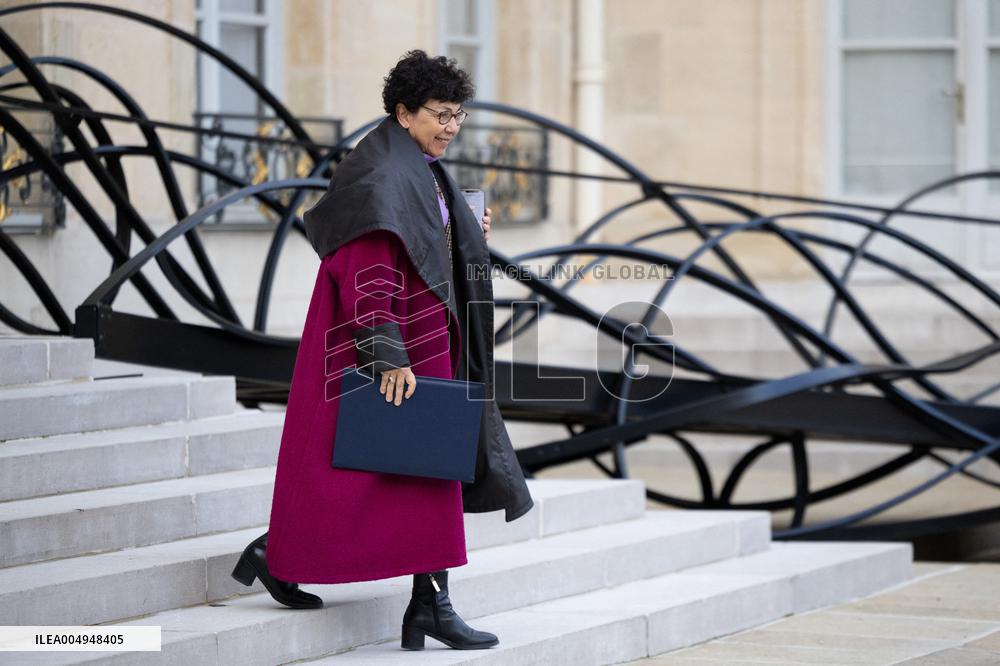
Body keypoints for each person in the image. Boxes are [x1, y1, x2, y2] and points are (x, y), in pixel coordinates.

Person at [230, 50, 534, 651]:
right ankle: (282, 557)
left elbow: (422, 246)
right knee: (361, 476)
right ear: (403, 111)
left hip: (426, 339)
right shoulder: (381, 173)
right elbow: (365, 267)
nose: (451, 126)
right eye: (440, 114)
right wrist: (386, 354)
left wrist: (467, 233)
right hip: (388, 345)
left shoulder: (417, 164)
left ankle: (427, 602)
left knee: (423, 474)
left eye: (458, 115)